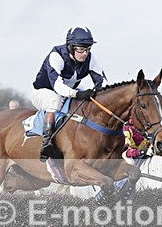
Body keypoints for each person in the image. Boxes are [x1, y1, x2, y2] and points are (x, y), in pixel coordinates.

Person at [31, 26, 107, 161]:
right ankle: (46, 142)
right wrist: (77, 94)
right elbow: (57, 86)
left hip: (66, 95)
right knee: (55, 101)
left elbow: (100, 80)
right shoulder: (56, 55)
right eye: (81, 49)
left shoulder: (89, 58)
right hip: (43, 92)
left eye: (88, 49)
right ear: (71, 47)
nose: (85, 53)